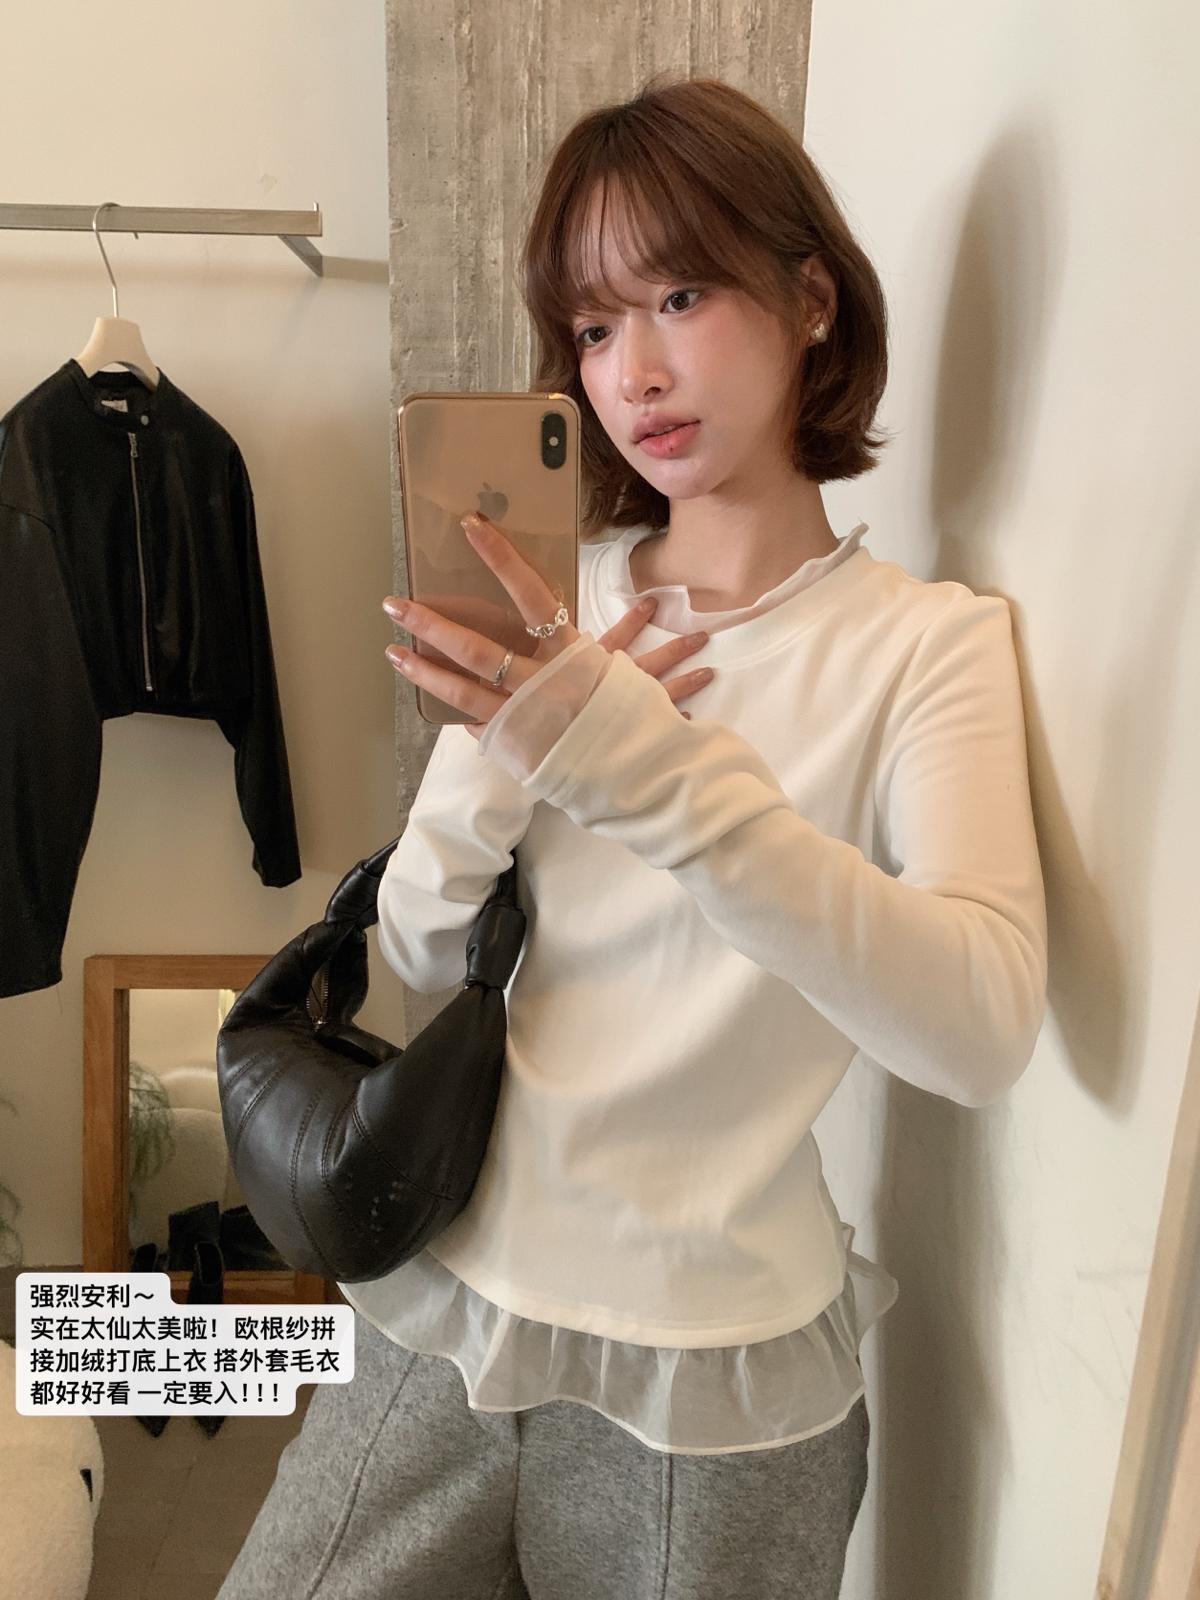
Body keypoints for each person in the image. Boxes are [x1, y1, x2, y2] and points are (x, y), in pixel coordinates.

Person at [218, 72, 1047, 1600]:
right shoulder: (561, 604)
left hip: (718, 1373)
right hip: (448, 1296)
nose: (636, 372)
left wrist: (641, 768)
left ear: (810, 299)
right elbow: (415, 952)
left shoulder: (925, 647)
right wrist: (509, 755)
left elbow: (982, 1029)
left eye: (680, 295)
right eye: (594, 329)